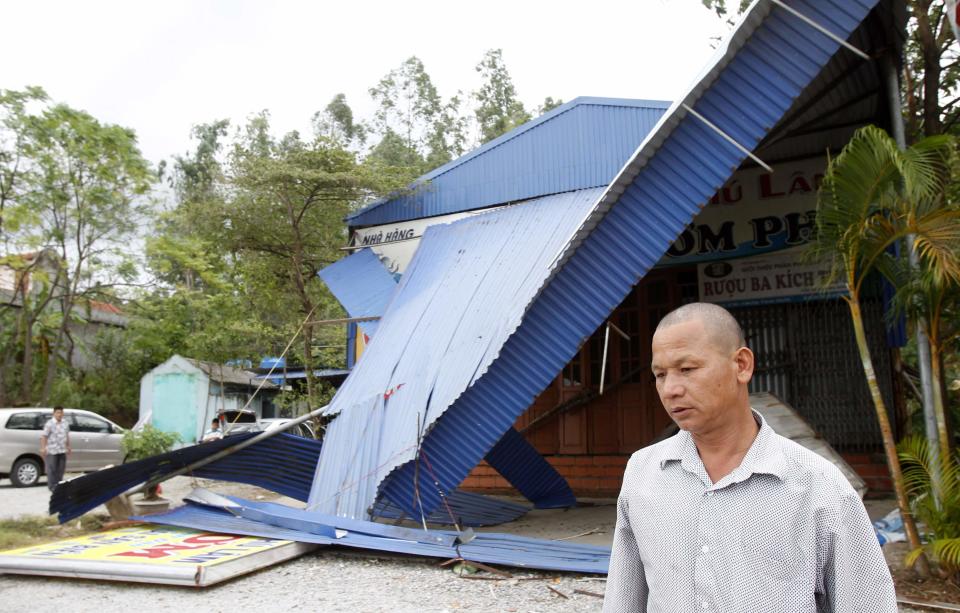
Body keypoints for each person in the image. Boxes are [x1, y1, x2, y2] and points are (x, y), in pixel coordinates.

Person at [603, 302, 896, 613]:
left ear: (741, 365)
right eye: (660, 375)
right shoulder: (643, 474)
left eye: (687, 369)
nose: (671, 389)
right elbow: (623, 600)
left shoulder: (817, 486)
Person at [40, 406, 71, 492]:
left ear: (63, 413)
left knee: (61, 469)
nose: (59, 414)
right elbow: (44, 436)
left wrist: (68, 446)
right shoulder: (49, 423)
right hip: (52, 450)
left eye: (61, 413)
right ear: (54, 413)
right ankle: (52, 486)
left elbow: (67, 435)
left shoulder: (65, 423)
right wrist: (43, 448)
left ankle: (59, 485)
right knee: (52, 469)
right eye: (57, 412)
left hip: (62, 450)